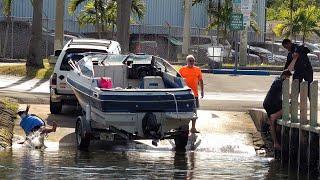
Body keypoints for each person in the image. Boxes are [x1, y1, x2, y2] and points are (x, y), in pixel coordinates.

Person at [263, 70, 292, 150]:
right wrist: (295, 98)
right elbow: (286, 95)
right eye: (288, 78)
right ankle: (275, 116)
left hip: (267, 102)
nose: (288, 80)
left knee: (272, 123)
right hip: (273, 103)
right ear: (284, 76)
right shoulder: (280, 82)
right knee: (289, 106)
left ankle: (276, 143)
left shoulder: (276, 80)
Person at [179, 54, 204, 133]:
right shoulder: (182, 70)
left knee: (194, 111)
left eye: (193, 61)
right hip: (184, 94)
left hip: (194, 95)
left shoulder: (197, 69)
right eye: (190, 61)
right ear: (187, 61)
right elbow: (177, 80)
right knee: (182, 111)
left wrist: (202, 91)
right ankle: (181, 127)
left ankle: (193, 128)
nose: (192, 62)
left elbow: (201, 81)